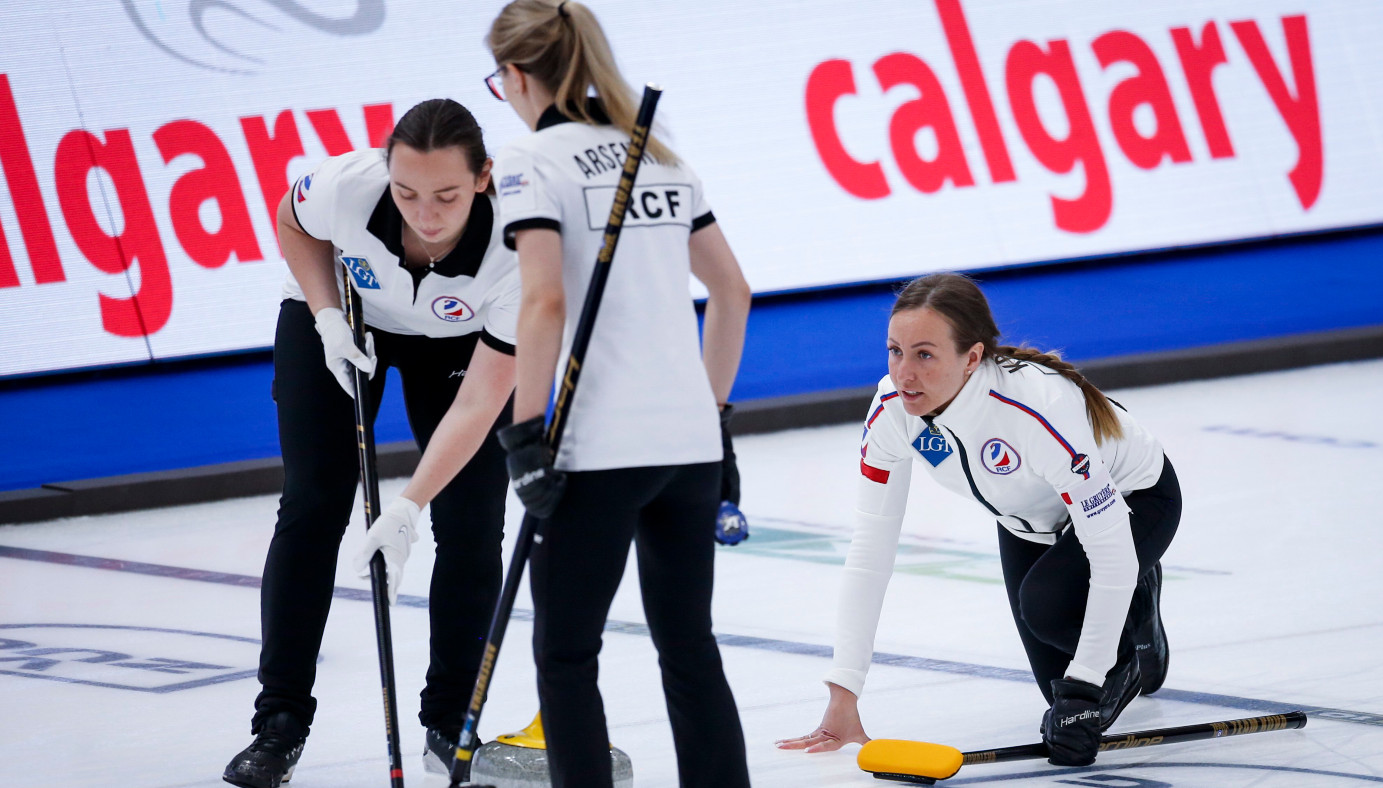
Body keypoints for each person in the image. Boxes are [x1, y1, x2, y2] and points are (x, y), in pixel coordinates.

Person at [482, 2, 752, 785]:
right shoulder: (659, 155)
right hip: (688, 444)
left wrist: (524, 434)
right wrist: (716, 419)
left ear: (517, 75)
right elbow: (732, 292)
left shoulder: (531, 161)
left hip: (595, 445)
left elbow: (544, 302)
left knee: (566, 655)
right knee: (689, 646)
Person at [223, 99, 520, 788]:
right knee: (314, 502)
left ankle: (451, 723)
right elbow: (292, 219)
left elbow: (481, 402)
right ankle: (279, 721)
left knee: (472, 521)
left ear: (483, 178)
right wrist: (327, 315)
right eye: (407, 193)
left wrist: (408, 506)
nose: (426, 215)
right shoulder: (347, 186)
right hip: (346, 316)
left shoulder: (518, 244)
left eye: (447, 196)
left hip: (461, 344)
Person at [777, 273, 1177, 767]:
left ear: (972, 357)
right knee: (1055, 688)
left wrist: (1086, 684)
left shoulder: (1036, 408)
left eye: (924, 355)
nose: (904, 374)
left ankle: (1131, 621)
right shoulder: (891, 413)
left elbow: (1111, 551)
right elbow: (869, 553)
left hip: (1135, 500)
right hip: (1031, 521)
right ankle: (1135, 613)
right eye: (895, 351)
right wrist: (844, 693)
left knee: (1048, 610)